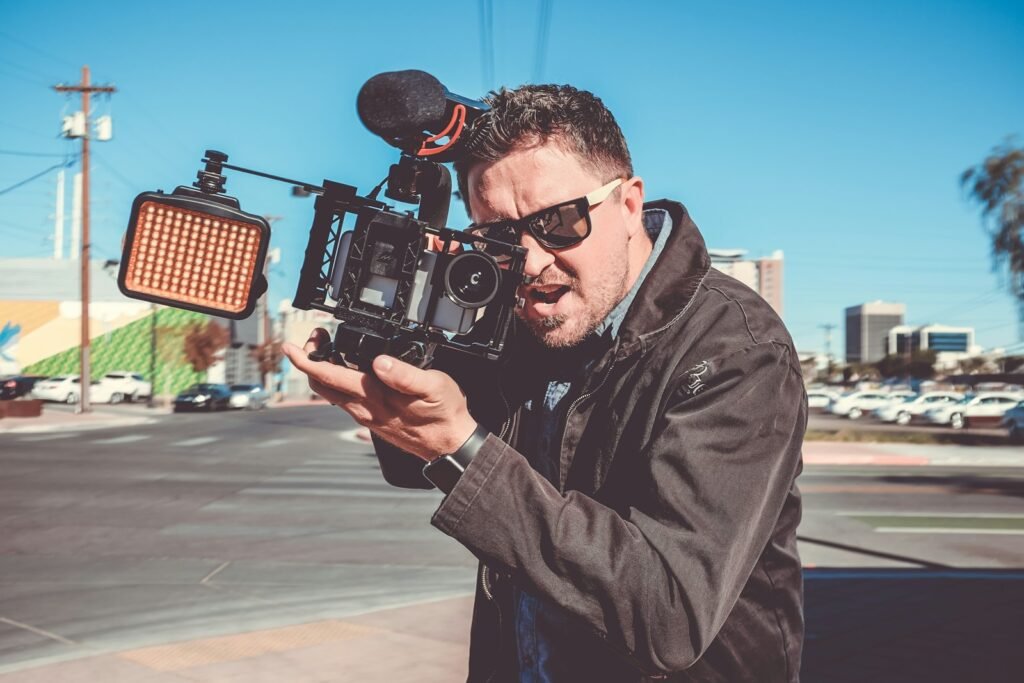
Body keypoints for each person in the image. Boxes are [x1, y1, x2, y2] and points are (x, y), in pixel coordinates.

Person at [283, 84, 806, 682]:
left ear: (630, 204)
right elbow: (413, 466)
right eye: (499, 238)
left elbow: (669, 615)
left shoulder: (735, 350)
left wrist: (457, 444)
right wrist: (389, 370)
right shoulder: (517, 319)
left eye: (558, 222)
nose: (530, 262)